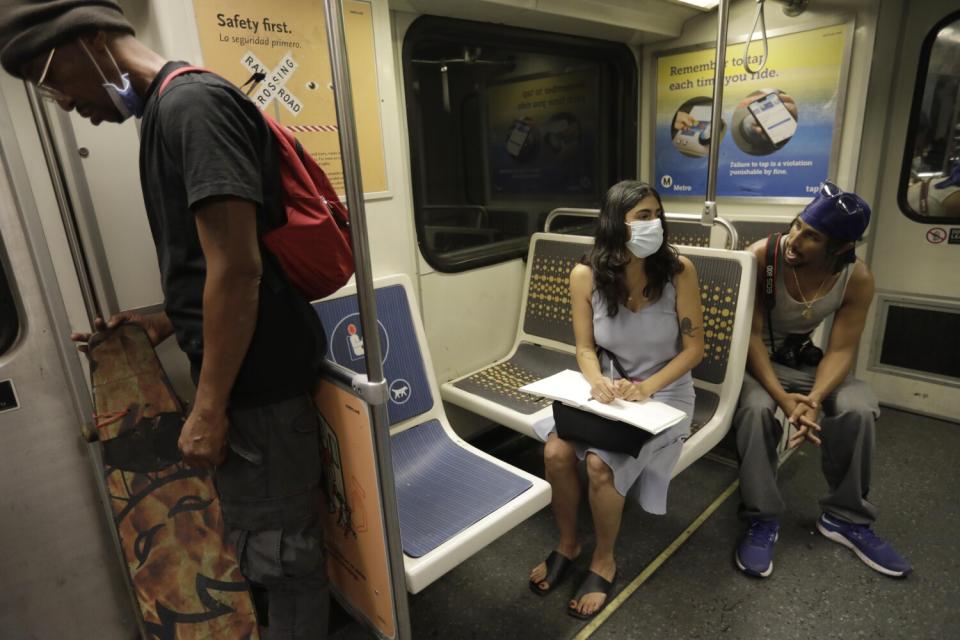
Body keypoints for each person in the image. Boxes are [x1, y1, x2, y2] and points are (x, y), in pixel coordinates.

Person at [0, 2, 329, 637]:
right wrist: (166, 322)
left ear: (91, 43)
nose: (64, 104)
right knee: (261, 548)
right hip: (246, 389)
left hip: (259, 392)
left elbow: (238, 271)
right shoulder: (166, 117)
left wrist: (207, 410)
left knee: (283, 559)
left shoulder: (194, 108)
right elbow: (209, 265)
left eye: (52, 79)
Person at [528, 180, 704, 619]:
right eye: (642, 216)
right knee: (554, 451)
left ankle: (603, 558)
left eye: (655, 215)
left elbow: (694, 349)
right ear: (614, 224)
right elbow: (586, 348)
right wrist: (596, 382)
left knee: (599, 465)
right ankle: (569, 542)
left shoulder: (679, 271)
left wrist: (647, 388)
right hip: (612, 391)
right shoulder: (585, 275)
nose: (654, 224)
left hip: (667, 395)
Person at [733, 181, 911, 580]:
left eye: (811, 236)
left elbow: (842, 350)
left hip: (804, 363)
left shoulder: (856, 278)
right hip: (755, 361)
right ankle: (762, 518)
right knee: (757, 409)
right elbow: (750, 338)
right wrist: (783, 399)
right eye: (797, 225)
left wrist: (812, 399)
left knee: (858, 407)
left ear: (840, 249)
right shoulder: (763, 257)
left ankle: (845, 518)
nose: (794, 239)